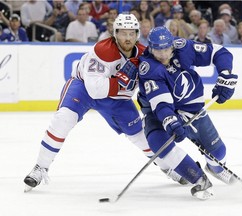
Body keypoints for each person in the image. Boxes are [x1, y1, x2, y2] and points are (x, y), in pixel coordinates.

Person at [23, 14, 185, 192]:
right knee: (63, 119)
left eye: (132, 33)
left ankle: (167, 166)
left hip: (117, 98)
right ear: (115, 33)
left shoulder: (145, 55)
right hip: (83, 88)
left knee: (141, 135)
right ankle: (41, 167)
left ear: (137, 34)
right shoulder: (102, 50)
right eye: (123, 33)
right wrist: (122, 81)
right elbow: (95, 89)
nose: (128, 38)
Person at [137, 26, 238, 200]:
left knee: (218, 152)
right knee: (158, 141)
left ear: (172, 46)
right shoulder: (148, 67)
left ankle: (216, 167)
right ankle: (198, 178)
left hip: (191, 109)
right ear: (151, 48)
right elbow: (161, 103)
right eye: (157, 50)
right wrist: (170, 121)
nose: (162, 55)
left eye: (166, 49)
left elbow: (219, 52)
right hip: (158, 112)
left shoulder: (183, 47)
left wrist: (225, 74)